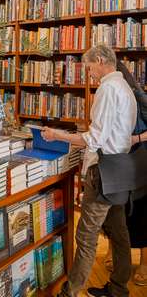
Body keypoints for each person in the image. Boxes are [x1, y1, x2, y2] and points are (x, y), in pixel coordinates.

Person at [41, 45, 137, 297]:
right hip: (122, 168)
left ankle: (69, 292)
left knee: (86, 236)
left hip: (104, 171)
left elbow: (93, 139)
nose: (89, 73)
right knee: (119, 233)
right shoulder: (126, 87)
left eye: (90, 67)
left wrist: (56, 135)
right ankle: (118, 289)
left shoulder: (108, 87)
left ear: (101, 60)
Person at [103, 61, 147, 287]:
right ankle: (114, 251)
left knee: (140, 213)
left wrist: (136, 139)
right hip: (115, 161)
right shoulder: (106, 93)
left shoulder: (138, 96)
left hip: (139, 160)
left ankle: (144, 263)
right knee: (114, 211)